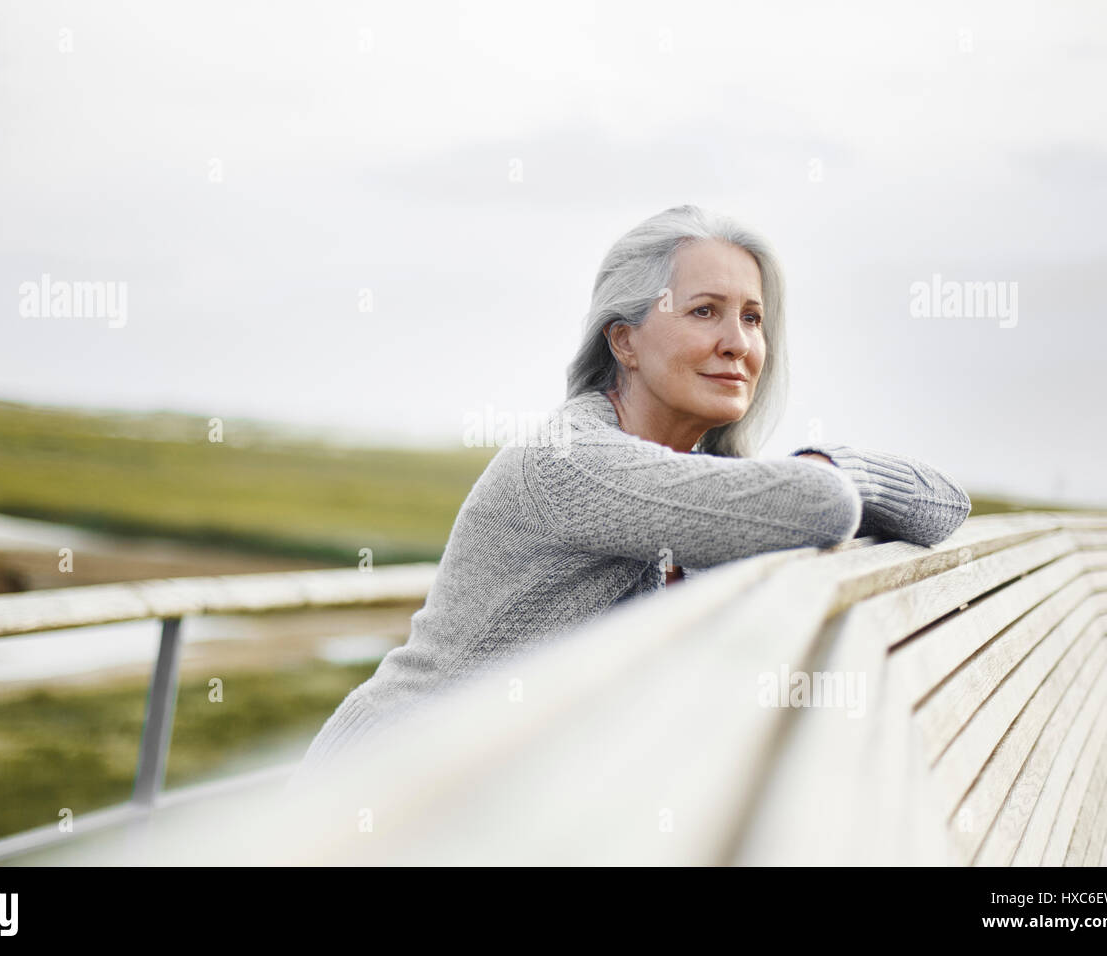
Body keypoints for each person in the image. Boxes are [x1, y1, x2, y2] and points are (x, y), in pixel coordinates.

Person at [290, 204, 971, 782]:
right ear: (625, 341)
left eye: (754, 319)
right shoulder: (573, 462)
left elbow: (945, 505)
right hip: (379, 796)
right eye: (706, 311)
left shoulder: (689, 477)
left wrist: (822, 464)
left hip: (486, 803)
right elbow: (822, 506)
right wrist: (821, 474)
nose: (738, 344)